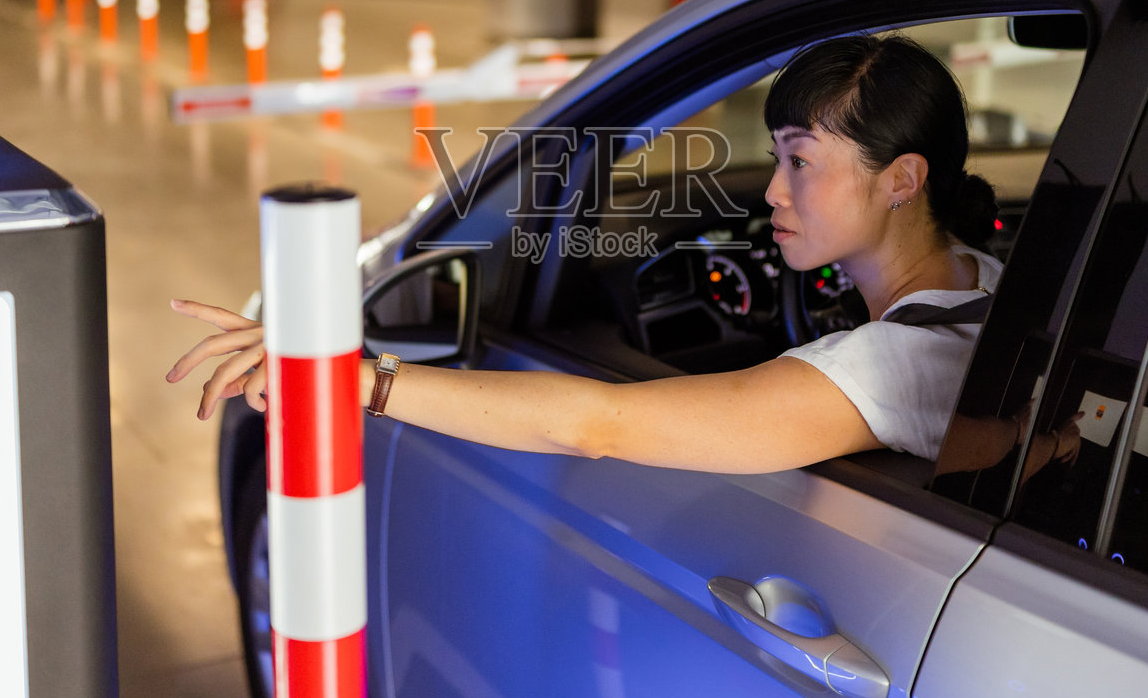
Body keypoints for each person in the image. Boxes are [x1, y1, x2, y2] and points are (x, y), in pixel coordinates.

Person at [167, 34, 1079, 476]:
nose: (770, 191)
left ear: (902, 178)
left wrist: (356, 379)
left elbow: (593, 425)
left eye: (801, 160)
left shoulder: (893, 365)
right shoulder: (982, 279)